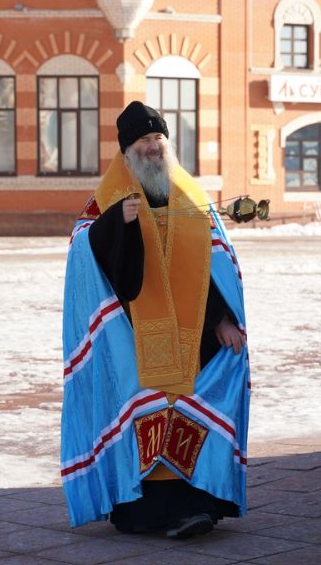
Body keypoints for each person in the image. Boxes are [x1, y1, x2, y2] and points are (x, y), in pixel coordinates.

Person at [61, 100, 249, 539]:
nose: (152, 147)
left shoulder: (191, 195)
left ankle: (197, 505)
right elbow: (82, 253)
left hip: (195, 332)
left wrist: (222, 320)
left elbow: (212, 264)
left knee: (192, 407)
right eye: (143, 140)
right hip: (129, 335)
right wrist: (116, 224)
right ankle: (142, 511)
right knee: (145, 411)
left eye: (158, 138)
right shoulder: (106, 199)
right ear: (126, 150)